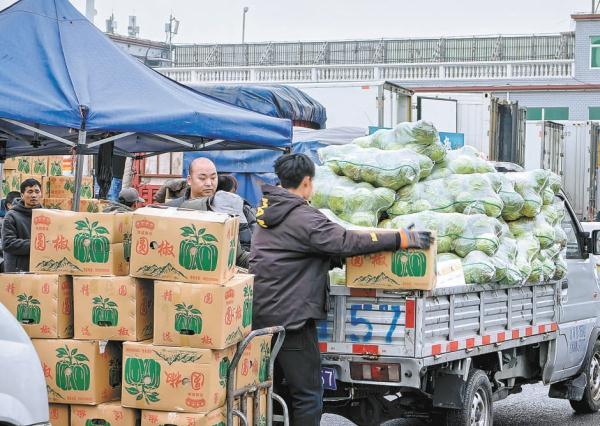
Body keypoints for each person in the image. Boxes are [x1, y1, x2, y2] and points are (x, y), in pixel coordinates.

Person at [249, 154, 432, 426]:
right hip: (291, 320)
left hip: (261, 317)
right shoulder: (303, 216)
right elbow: (344, 241)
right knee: (308, 394)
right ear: (307, 181)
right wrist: (400, 238)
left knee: (274, 391)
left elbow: (295, 254)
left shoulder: (268, 213)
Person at [166, 158, 250, 268]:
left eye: (213, 178)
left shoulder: (233, 208)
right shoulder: (171, 209)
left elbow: (244, 251)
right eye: (202, 178)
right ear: (189, 180)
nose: (209, 183)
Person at [2, 178, 43, 272]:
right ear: (22, 195)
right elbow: (8, 244)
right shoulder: (11, 215)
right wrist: (37, 245)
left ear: (41, 194)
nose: (34, 195)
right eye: (30, 192)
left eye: (37, 191)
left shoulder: (47, 215)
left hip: (40, 269)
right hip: (18, 270)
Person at [217, 174, 257, 251]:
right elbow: (254, 231)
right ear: (233, 190)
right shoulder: (244, 207)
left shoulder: (209, 205)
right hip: (242, 252)